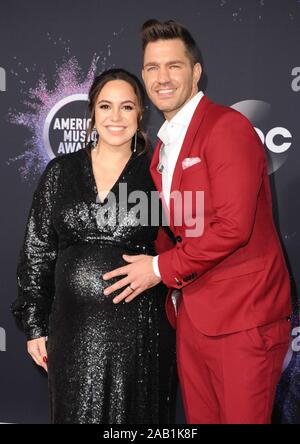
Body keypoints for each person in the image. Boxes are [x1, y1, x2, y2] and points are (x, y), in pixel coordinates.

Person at [102, 20, 292, 424]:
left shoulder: (227, 128)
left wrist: (157, 269)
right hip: (195, 318)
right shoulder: (162, 149)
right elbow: (179, 228)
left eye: (174, 66)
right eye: (152, 67)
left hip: (244, 319)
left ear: (196, 72)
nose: (162, 77)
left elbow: (233, 227)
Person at [11, 68, 177, 424]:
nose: (115, 117)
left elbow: (187, 246)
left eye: (126, 107)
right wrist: (35, 325)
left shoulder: (157, 174)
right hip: (71, 332)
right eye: (105, 106)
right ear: (92, 113)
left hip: (140, 334)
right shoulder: (61, 172)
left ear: (140, 114)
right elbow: (38, 251)